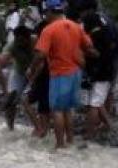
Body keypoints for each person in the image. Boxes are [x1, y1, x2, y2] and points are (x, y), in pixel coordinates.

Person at [28, 0, 97, 149]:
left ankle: (60, 145)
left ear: (50, 11)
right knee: (67, 109)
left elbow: (41, 54)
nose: (45, 15)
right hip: (76, 73)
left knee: (57, 110)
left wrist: (31, 68)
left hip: (60, 74)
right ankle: (70, 141)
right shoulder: (76, 26)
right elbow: (89, 47)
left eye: (45, 12)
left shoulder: (49, 30)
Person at [83, 12, 115, 139]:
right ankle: (106, 126)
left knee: (94, 104)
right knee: (97, 102)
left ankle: (91, 133)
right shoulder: (107, 33)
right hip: (105, 73)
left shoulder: (94, 36)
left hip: (99, 73)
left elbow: (96, 54)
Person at [24, 20, 52, 137]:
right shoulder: (53, 41)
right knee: (44, 107)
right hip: (52, 77)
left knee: (25, 101)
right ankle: (44, 130)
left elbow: (41, 64)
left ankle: (39, 128)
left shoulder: (42, 43)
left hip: (43, 78)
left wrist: (32, 79)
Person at [5, 26, 35, 130]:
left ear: (28, 37)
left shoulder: (36, 41)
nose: (19, 43)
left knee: (32, 99)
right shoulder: (12, 46)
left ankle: (40, 126)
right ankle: (10, 127)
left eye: (22, 40)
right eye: (17, 40)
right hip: (19, 72)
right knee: (11, 99)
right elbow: (3, 60)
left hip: (37, 72)